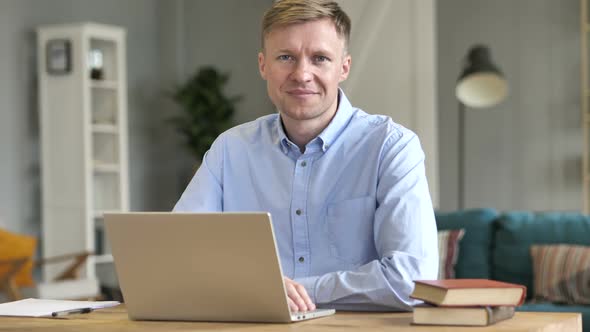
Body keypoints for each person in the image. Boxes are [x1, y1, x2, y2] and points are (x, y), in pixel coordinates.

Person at [174, 0, 438, 312]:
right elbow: (178, 256)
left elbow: (412, 278)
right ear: (263, 65)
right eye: (285, 57)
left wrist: (283, 290)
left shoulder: (391, 147)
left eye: (320, 58)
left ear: (344, 67)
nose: (302, 74)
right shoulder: (229, 151)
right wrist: (259, 290)